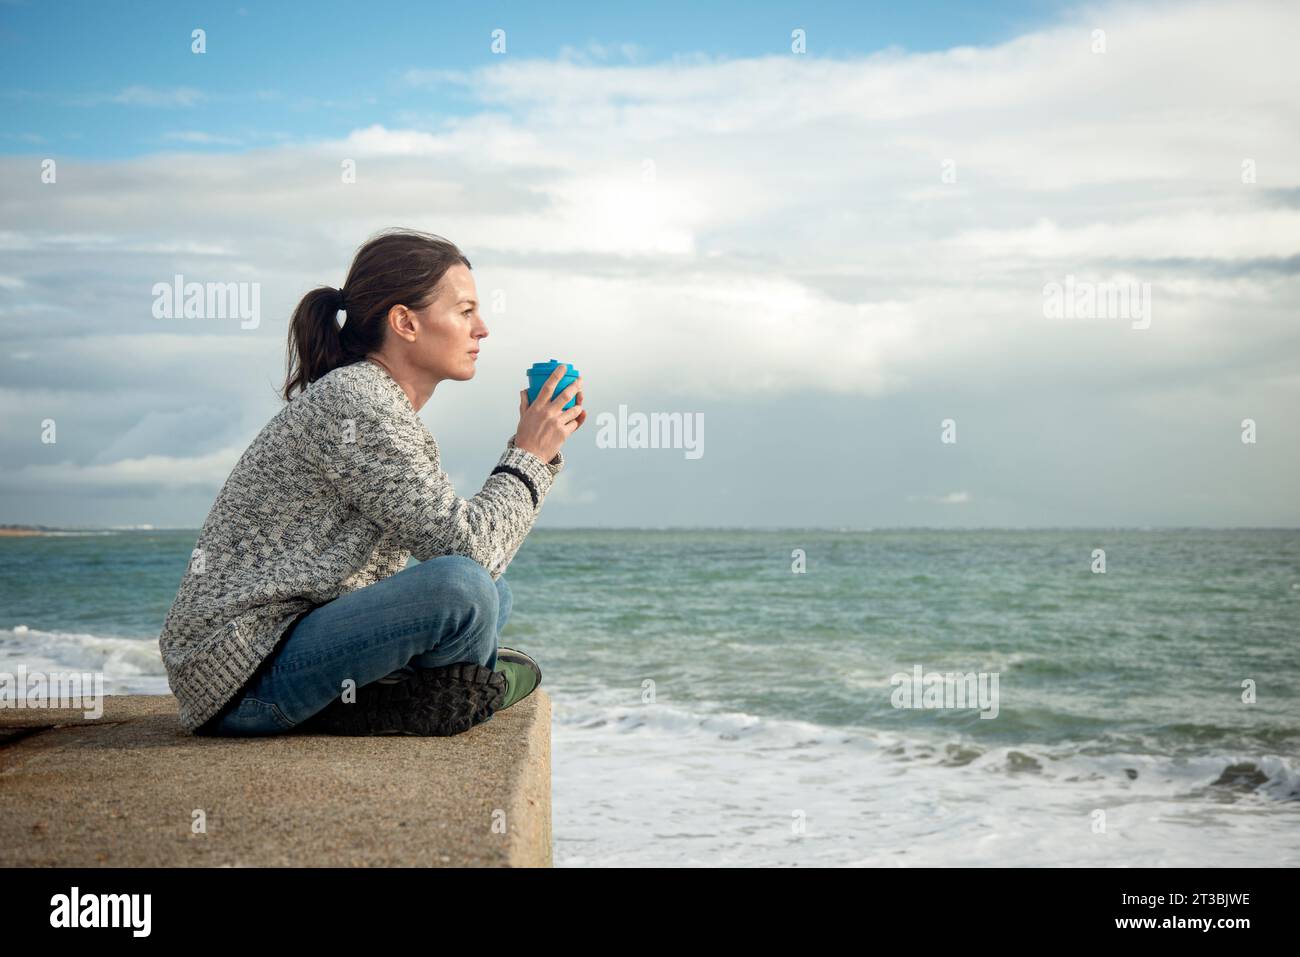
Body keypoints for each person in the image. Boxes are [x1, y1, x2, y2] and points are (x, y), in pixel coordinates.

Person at [156, 227, 585, 736]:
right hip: (244, 677)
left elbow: (473, 552)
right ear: (405, 321)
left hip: (289, 644)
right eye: (465, 311)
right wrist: (530, 453)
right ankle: (438, 693)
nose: (483, 329)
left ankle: (411, 690)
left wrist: (535, 454)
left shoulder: (376, 401)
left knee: (492, 591)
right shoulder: (357, 403)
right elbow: (470, 550)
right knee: (465, 587)